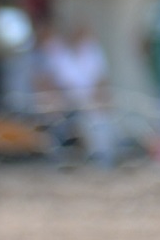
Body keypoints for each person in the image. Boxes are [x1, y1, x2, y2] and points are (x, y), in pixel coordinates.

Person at [36, 19, 114, 166]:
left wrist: (100, 99)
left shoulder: (92, 51)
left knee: (98, 119)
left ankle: (100, 159)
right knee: (52, 113)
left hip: (88, 101)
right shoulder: (58, 53)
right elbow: (46, 80)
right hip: (64, 100)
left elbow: (102, 81)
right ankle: (57, 158)